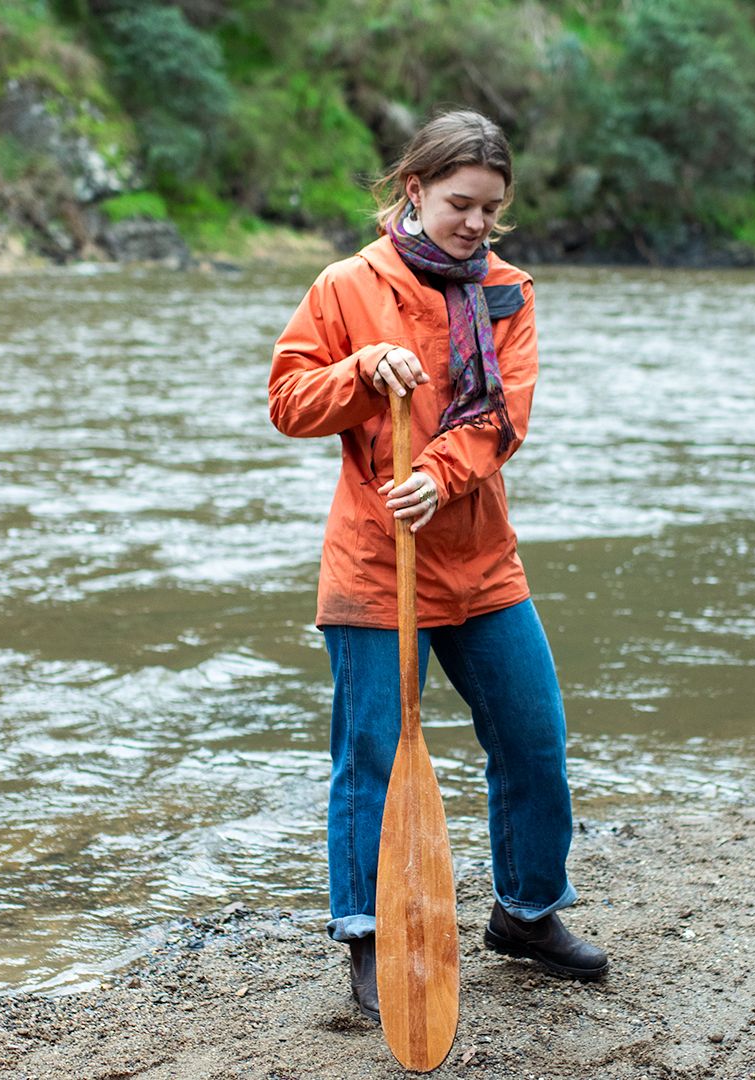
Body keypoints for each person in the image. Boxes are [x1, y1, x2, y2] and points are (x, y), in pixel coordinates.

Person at [267, 109, 607, 1022]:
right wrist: (358, 373)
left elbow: (506, 420)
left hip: (483, 562)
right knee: (370, 759)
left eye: (491, 209)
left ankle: (528, 912)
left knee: (534, 740)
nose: (476, 225)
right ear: (414, 190)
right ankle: (367, 938)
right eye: (461, 204)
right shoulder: (347, 285)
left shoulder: (508, 291)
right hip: (376, 567)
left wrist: (439, 476)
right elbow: (289, 401)